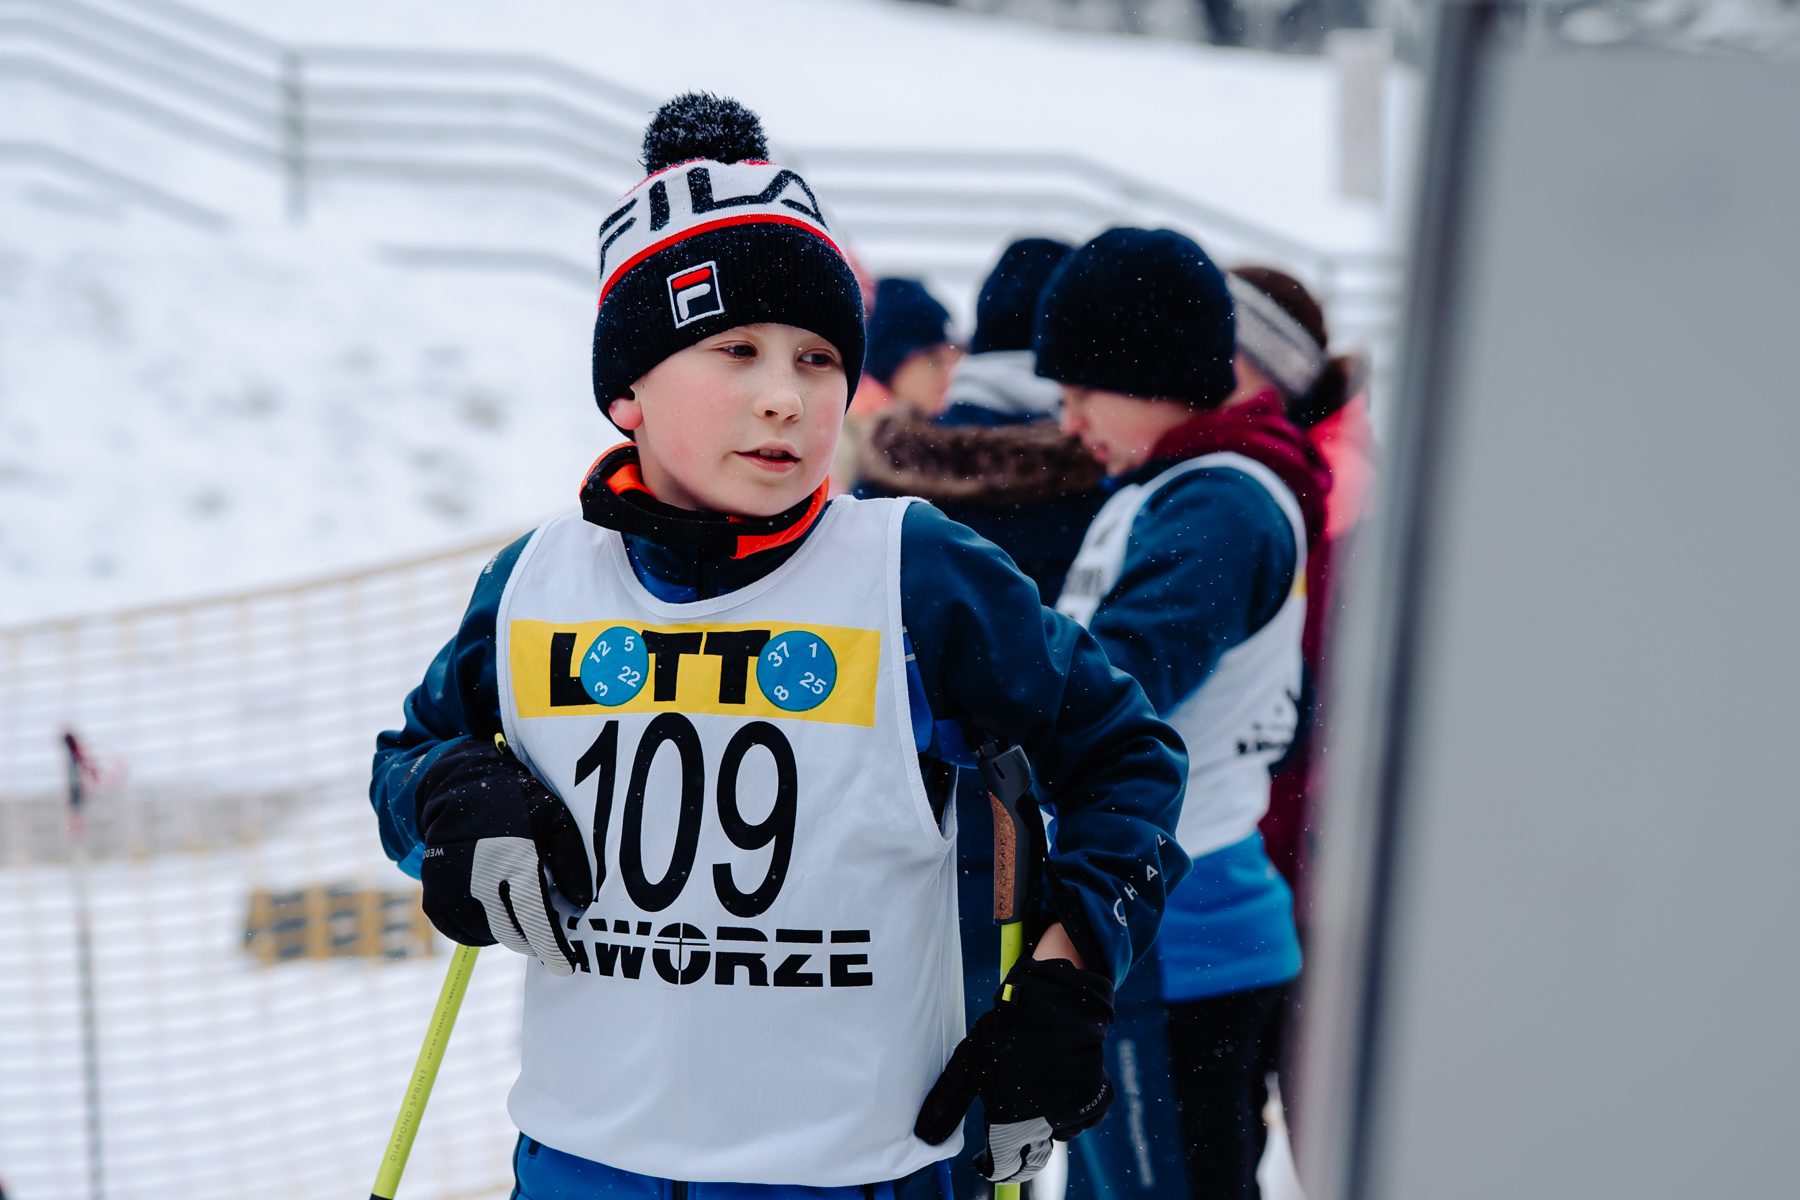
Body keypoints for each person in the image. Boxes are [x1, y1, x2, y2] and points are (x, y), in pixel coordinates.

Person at [368, 95, 1191, 1199]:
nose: (784, 400)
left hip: (850, 1167)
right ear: (629, 389)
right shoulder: (535, 581)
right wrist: (452, 794)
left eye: (817, 359)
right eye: (737, 351)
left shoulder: (915, 570)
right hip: (584, 1161)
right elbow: (407, 764)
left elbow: (1127, 755)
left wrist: (1069, 975)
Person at [1035, 229, 1330, 1199]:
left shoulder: (1221, 504)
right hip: (1155, 925)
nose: (1070, 420)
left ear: (1154, 372)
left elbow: (1110, 686)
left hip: (1177, 931)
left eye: (1084, 389)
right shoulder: (1170, 491)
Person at [854, 237, 1106, 1199]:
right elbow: (1117, 711)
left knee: (913, 1100)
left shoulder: (888, 485)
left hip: (892, 831)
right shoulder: (1097, 478)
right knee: (1022, 1098)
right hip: (1040, 832)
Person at [833, 278, 959, 492]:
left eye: (954, 361)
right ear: (893, 361)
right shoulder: (840, 441)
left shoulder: (931, 431)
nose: (948, 376)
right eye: (934, 360)